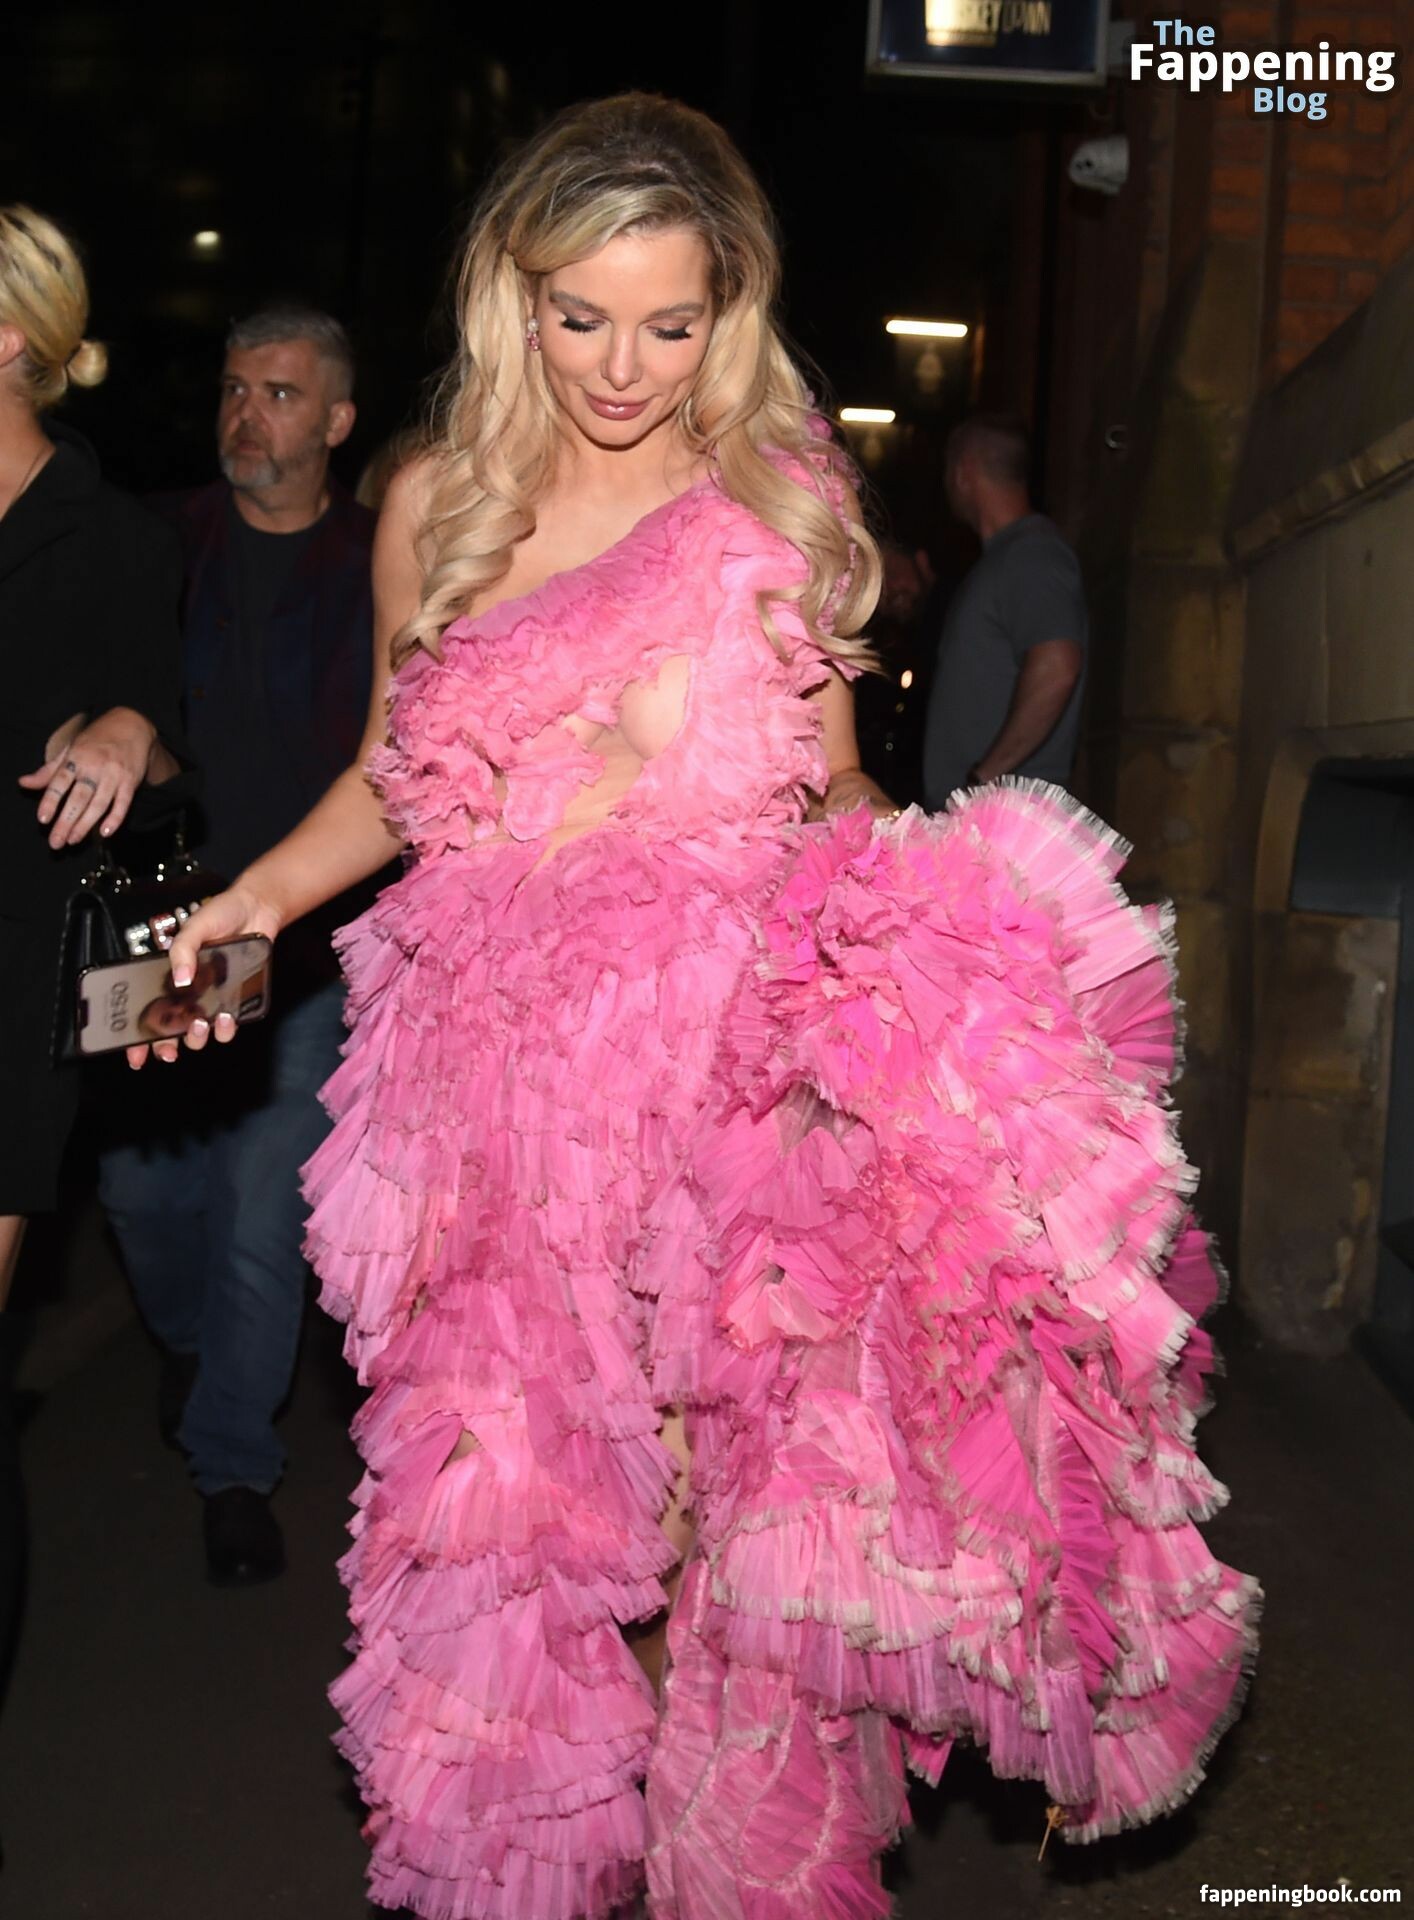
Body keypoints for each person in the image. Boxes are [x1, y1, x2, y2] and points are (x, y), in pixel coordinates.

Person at [138, 96, 1259, 1919]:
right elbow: (396, 779)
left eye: (669, 325)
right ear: (514, 296)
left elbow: (830, 781)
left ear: (725, 312)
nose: (621, 366)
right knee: (532, 1537)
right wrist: (250, 903)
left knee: (696, 1536)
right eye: (579, 317)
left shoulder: (769, 500)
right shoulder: (435, 500)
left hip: (708, 1091)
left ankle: (698, 1875)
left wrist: (948, 924)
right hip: (486, 1099)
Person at [98, 305, 378, 1586]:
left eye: (278, 394)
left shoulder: (380, 563)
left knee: (262, 1209)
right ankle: (195, 1351)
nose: (244, 415)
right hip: (162, 930)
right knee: (142, 1196)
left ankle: (232, 1468)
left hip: (308, 946)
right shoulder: (155, 543)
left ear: (336, 420)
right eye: (232, 389)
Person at [0, 204, 184, 1696]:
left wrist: (131, 729)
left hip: (3, 995)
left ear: (10, 337)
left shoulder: (113, 538)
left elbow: (172, 769)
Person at [922, 413, 1087, 807]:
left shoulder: (1032, 555)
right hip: (985, 815)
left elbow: (1058, 667)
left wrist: (984, 776)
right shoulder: (1008, 559)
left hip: (1002, 816)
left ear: (963, 472)